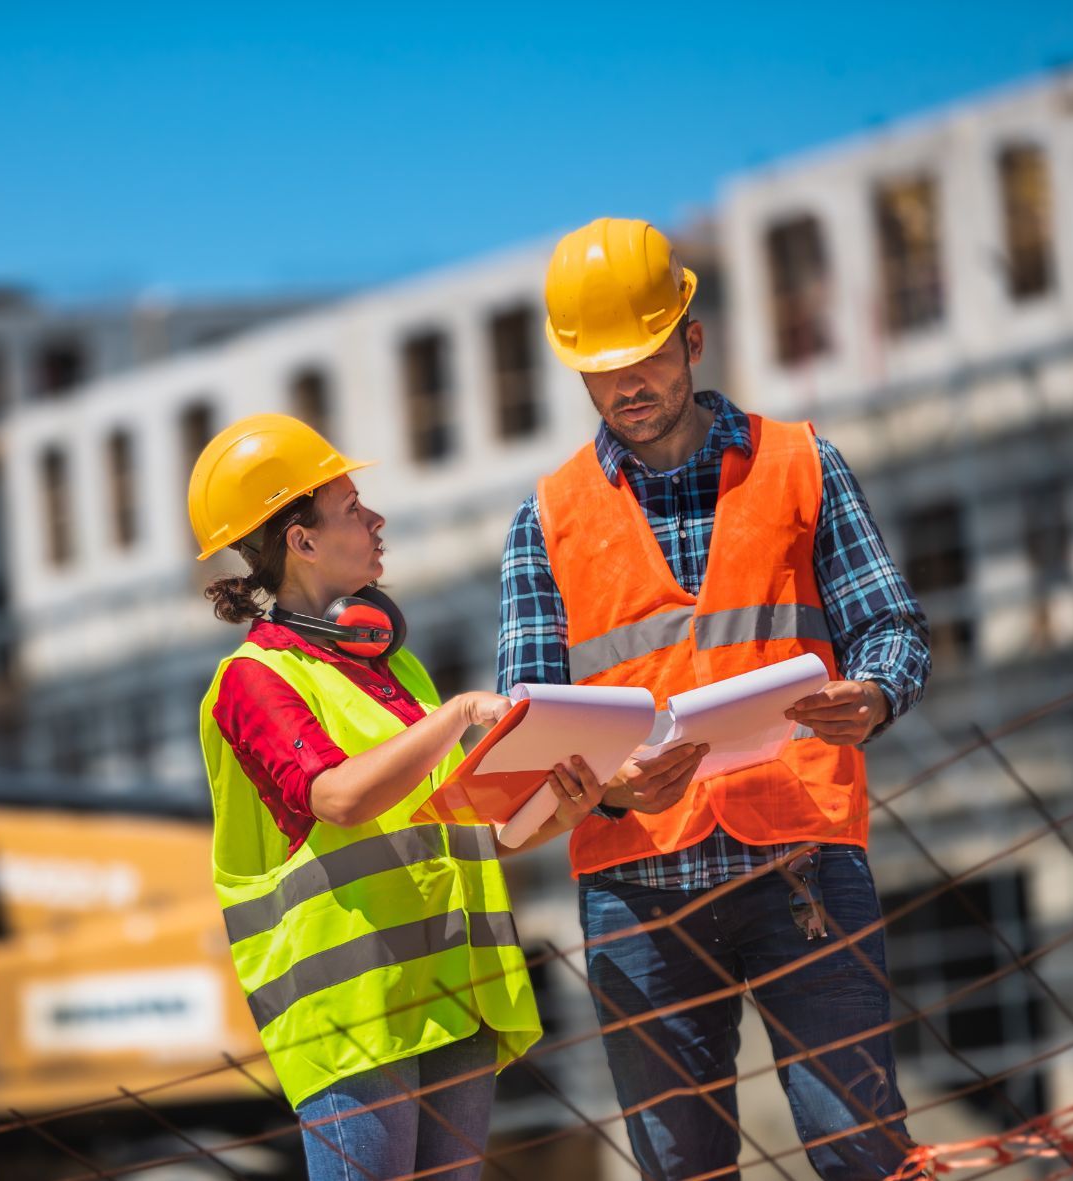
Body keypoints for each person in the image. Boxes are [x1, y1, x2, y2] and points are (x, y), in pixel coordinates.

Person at [498, 217, 933, 1180]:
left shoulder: (801, 463)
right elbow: (527, 746)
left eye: (645, 358)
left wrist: (876, 693)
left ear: (691, 339)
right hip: (637, 891)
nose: (627, 387)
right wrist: (612, 788)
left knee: (867, 1155)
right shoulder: (546, 520)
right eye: (601, 370)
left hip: (804, 860)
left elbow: (891, 626)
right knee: (682, 1171)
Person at [190, 414, 703, 1180]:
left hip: (456, 998)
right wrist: (458, 714)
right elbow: (335, 798)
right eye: (354, 507)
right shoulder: (253, 681)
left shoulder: (398, 675)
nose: (376, 520)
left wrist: (560, 806)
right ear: (301, 540)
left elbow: (468, 832)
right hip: (357, 1021)